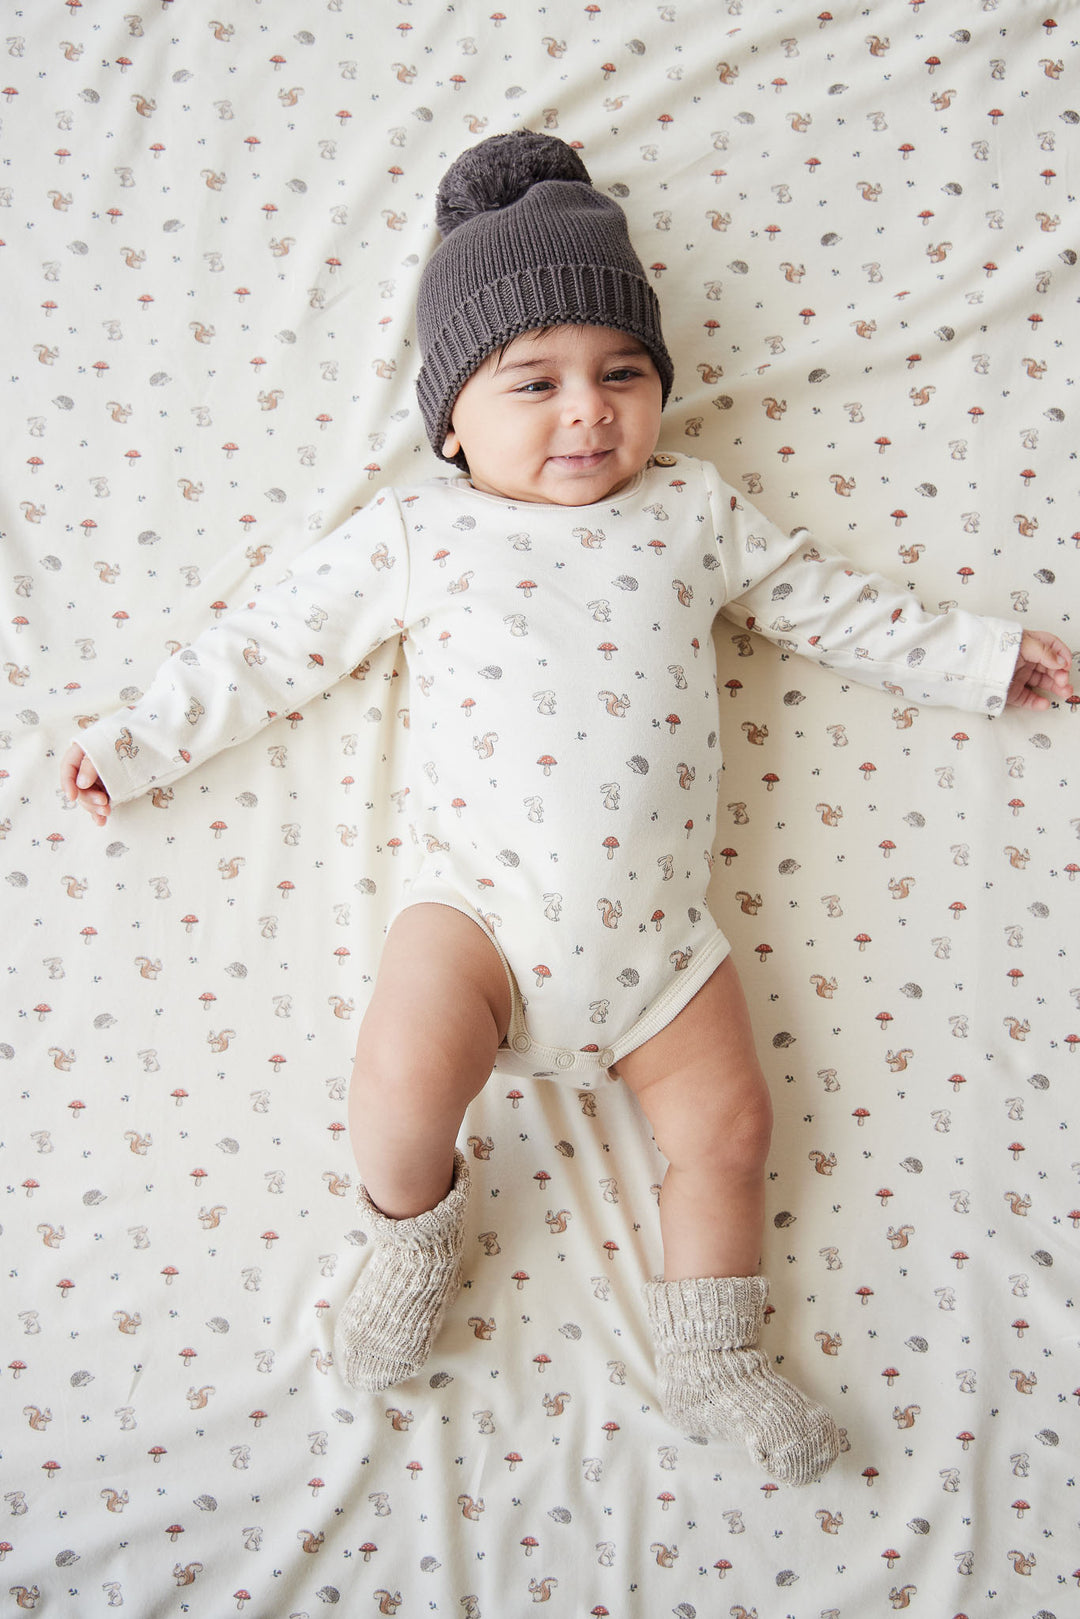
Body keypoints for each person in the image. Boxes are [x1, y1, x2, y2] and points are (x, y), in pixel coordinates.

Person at [60, 130, 1074, 1487]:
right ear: (452, 420)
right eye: (532, 384)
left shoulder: (692, 511)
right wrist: (140, 743)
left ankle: (716, 1353)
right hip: (473, 913)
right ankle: (409, 1236)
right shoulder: (424, 533)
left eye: (623, 376)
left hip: (662, 945)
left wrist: (969, 656)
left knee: (731, 1131)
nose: (587, 413)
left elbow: (824, 603)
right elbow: (268, 645)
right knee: (402, 1084)